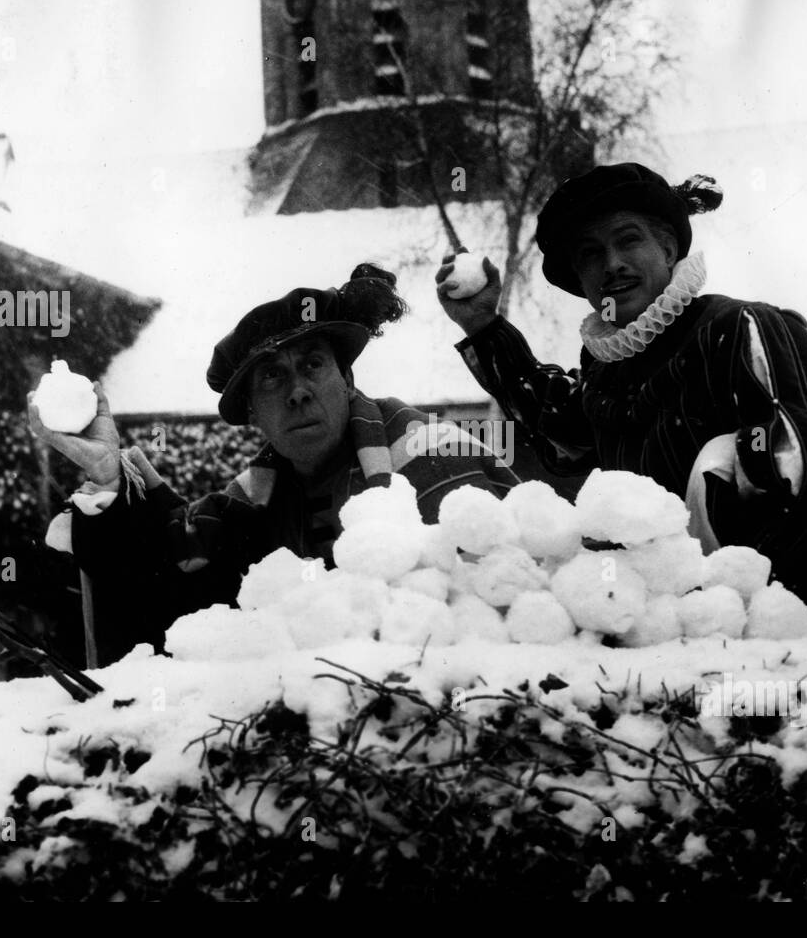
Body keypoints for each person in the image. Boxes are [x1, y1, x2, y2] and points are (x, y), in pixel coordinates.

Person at [435, 162, 807, 667]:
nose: (612, 264)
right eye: (590, 254)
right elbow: (566, 431)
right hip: (701, 634)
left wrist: (746, 610)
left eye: (629, 241)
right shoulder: (607, 368)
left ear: (669, 249)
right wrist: (485, 329)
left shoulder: (741, 327)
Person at [31, 264, 517, 659]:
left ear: (345, 379)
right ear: (252, 415)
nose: (298, 392)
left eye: (313, 365)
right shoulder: (255, 499)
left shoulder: (431, 454)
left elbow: (504, 603)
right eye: (271, 378)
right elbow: (171, 557)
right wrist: (110, 473)